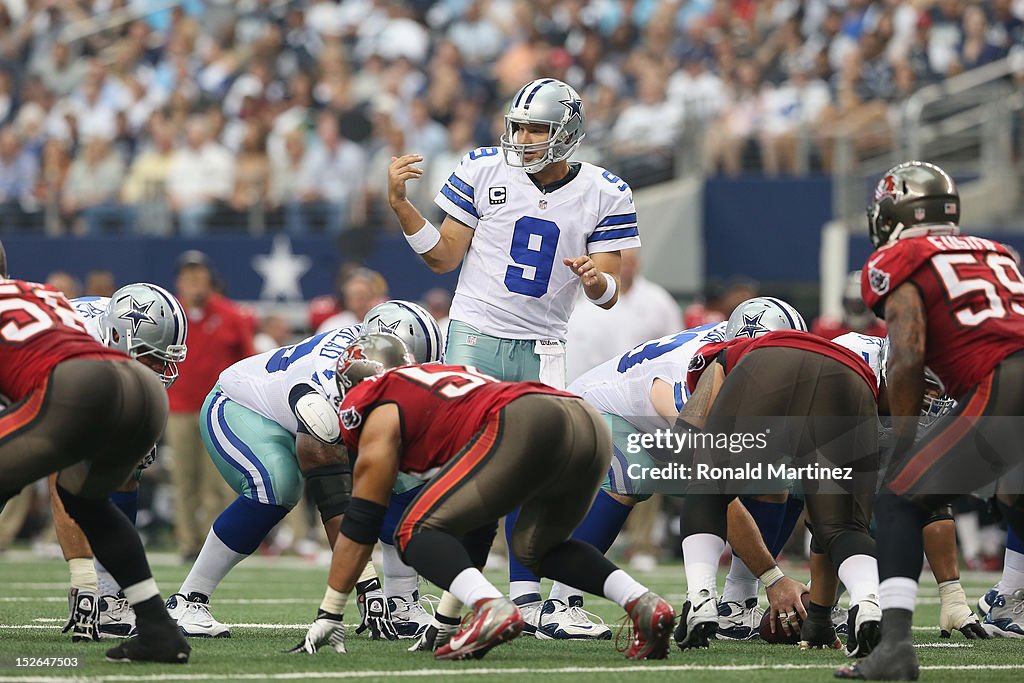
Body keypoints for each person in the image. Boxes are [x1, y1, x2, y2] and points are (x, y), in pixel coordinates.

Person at [387, 77, 640, 638]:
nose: (524, 138)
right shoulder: (482, 169)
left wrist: (596, 279)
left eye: (538, 128)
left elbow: (608, 292)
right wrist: (402, 207)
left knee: (543, 476)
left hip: (545, 345)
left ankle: (526, 602)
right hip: (475, 336)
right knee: (459, 472)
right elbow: (443, 258)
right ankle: (426, 602)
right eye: (519, 126)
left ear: (567, 132)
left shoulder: (606, 190)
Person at [290, 334, 675, 661]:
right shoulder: (441, 379)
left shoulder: (378, 401)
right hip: (583, 419)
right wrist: (445, 622)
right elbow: (479, 525)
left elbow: (361, 520)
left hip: (523, 420)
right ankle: (644, 605)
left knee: (414, 531)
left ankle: (492, 609)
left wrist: (331, 611)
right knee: (537, 549)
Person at [839, 161, 1024, 680]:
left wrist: (902, 439)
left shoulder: (900, 256)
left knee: (899, 489)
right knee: (1016, 500)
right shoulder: (996, 250)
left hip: (1007, 383)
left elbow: (907, 354)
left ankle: (895, 648)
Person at [167, 301, 442, 640]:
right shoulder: (327, 380)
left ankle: (401, 604)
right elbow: (331, 491)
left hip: (297, 416)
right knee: (277, 485)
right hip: (242, 406)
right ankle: (188, 600)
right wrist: (365, 584)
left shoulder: (366, 367)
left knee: (408, 475)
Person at [557, 297, 812, 642]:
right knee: (633, 473)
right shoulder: (690, 376)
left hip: (653, 425)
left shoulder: (742, 357)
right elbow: (711, 487)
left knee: (781, 474)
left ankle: (736, 605)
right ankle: (560, 602)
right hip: (593, 411)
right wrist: (774, 577)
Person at [0, 241, 189, 664]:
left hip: (78, 385)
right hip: (141, 392)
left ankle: (99, 593)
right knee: (85, 501)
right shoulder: (42, 293)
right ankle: (158, 630)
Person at [675, 327, 882, 658]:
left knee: (707, 487)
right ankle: (868, 600)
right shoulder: (840, 355)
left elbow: (690, 427)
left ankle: (700, 599)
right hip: (854, 379)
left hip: (770, 365)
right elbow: (821, 524)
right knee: (842, 527)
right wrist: (819, 618)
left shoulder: (725, 351)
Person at [54, 284, 187, 641]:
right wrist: (82, 580)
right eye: (151, 357)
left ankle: (112, 595)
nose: (161, 369)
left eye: (165, 359)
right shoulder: (73, 349)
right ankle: (92, 586)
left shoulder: (116, 339)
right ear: (118, 336)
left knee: (129, 463)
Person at [167, 251, 255, 561]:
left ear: (208, 278)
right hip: (178, 408)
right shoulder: (170, 313)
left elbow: (249, 359)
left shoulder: (231, 315)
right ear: (179, 280)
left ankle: (215, 545)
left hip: (219, 410)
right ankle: (187, 542)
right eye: (188, 275)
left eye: (199, 274)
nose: (193, 281)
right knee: (183, 480)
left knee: (219, 481)